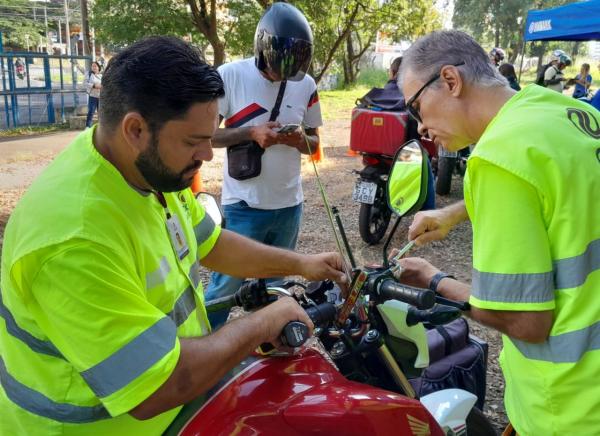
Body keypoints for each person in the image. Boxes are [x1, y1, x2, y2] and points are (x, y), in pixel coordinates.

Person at [0, 36, 347, 435]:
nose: (208, 155)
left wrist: (301, 263)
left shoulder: (143, 168)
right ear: (135, 130)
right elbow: (155, 385)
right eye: (193, 142)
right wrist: (263, 323)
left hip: (177, 413)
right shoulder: (72, 239)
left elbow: (211, 244)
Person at [397, 30, 600, 435]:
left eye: (417, 108)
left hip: (570, 404)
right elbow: (556, 193)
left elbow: (525, 321)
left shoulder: (496, 159)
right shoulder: (568, 112)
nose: (420, 127)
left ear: (451, 81)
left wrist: (435, 281)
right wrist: (456, 212)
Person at [205, 2, 322, 328]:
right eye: (274, 69)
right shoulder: (229, 76)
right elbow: (207, 136)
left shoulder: (306, 85)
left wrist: (299, 140)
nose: (279, 77)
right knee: (225, 287)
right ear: (261, 49)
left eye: (288, 72)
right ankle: (202, 347)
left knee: (274, 288)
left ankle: (265, 350)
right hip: (244, 204)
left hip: (289, 206)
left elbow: (315, 145)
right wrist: (252, 133)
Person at [386, 56, 435, 210]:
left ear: (392, 73)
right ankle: (428, 217)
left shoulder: (379, 93)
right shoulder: (412, 96)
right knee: (428, 181)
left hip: (377, 152)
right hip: (408, 152)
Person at [84, 61, 102, 128]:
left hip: (101, 97)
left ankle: (101, 127)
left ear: (98, 67)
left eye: (95, 66)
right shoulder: (89, 74)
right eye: (92, 66)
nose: (94, 67)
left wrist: (102, 86)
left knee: (100, 113)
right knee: (91, 112)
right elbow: (85, 84)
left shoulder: (102, 76)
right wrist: (94, 86)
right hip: (92, 97)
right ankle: (88, 127)